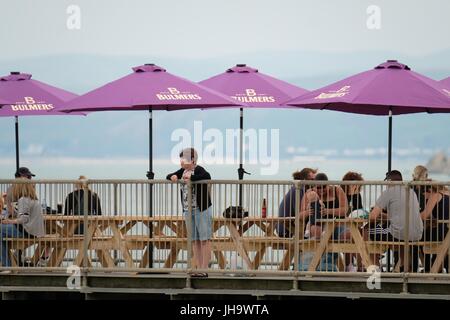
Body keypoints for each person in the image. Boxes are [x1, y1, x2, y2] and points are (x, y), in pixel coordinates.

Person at [167, 148, 212, 278]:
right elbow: (169, 175)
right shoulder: (182, 171)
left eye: (184, 158)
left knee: (204, 239)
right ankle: (198, 268)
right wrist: (173, 176)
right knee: (195, 240)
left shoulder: (198, 170)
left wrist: (191, 178)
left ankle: (205, 269)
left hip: (201, 209)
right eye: (180, 158)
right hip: (188, 210)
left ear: (192, 160)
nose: (181, 161)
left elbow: (207, 176)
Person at [369, 170, 423, 272]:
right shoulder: (411, 191)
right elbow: (400, 216)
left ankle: (375, 268)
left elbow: (372, 217)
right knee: (400, 238)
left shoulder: (389, 192)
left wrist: (368, 215)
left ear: (389, 181)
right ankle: (404, 268)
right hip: (416, 233)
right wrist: (384, 216)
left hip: (399, 233)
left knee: (366, 232)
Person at [0, 181, 45, 268]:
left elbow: (24, 219)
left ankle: (7, 265)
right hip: (34, 232)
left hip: (26, 231)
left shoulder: (23, 200)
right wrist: (10, 207)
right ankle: (7, 265)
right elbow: (23, 215)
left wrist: (9, 221)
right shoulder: (33, 199)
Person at [305, 173, 348, 239]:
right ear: (314, 186)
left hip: (337, 224)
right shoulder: (310, 193)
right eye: (318, 187)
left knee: (347, 234)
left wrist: (327, 211)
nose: (321, 190)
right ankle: (318, 248)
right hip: (317, 224)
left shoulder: (337, 190)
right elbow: (300, 214)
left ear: (328, 184)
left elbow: (345, 210)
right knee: (315, 230)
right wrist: (308, 212)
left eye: (324, 187)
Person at [276, 168, 317, 238]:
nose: (315, 182)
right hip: (286, 229)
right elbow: (299, 214)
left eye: (315, 180)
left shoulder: (299, 189)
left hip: (288, 225)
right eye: (312, 180)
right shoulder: (298, 190)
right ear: (304, 180)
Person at [420, 182, 449, 272]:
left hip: (439, 233)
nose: (424, 197)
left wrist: (410, 216)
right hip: (447, 231)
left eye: (424, 194)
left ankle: (428, 267)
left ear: (429, 190)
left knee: (417, 238)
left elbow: (425, 215)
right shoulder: (447, 195)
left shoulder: (435, 195)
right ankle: (436, 266)